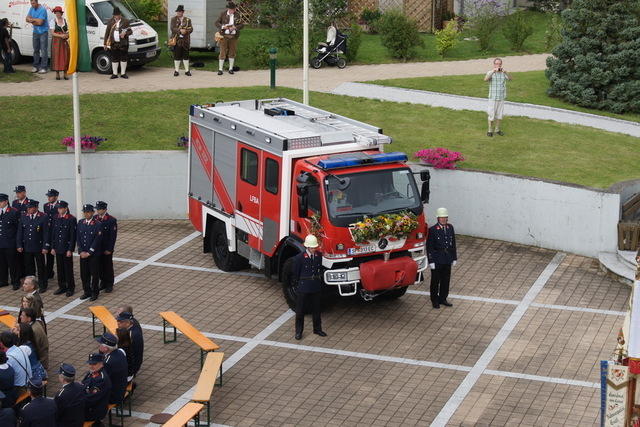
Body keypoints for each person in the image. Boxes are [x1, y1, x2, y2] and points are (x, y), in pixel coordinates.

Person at [293, 235, 327, 340]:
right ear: (307, 247)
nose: (314, 249)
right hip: (304, 287)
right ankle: (298, 331)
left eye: (315, 247)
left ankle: (317, 329)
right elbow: (296, 273)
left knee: (316, 309)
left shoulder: (318, 256)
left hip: (315, 286)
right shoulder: (299, 258)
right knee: (300, 311)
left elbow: (320, 269)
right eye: (312, 248)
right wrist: (298, 284)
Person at [426, 207, 457, 309]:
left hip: (447, 258)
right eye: (441, 218)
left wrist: (454, 257)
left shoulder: (450, 228)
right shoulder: (433, 230)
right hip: (437, 259)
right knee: (435, 281)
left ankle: (443, 298)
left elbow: (453, 244)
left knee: (446, 280)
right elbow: (429, 246)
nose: (443, 219)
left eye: (445, 217)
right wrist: (431, 260)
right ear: (437, 218)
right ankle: (434, 300)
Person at [17, 200, 49, 292]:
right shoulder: (24, 216)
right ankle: (31, 284)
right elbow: (20, 232)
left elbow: (46, 233)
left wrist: (45, 246)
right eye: (28, 208)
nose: (29, 209)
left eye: (30, 208)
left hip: (38, 247)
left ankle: (43, 284)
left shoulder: (43, 217)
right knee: (29, 267)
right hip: (27, 246)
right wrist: (19, 244)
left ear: (36, 207)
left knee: (41, 267)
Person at [76, 204, 102, 301]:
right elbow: (78, 238)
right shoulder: (81, 222)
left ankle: (95, 292)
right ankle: (87, 291)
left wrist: (89, 252)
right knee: (84, 274)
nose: (86, 214)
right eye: (85, 212)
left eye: (88, 212)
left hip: (93, 254)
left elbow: (97, 239)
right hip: (83, 254)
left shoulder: (97, 224)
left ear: (92, 212)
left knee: (94, 274)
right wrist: (81, 251)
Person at [51, 201, 77, 297]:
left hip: (66, 248)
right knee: (60, 268)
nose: (59, 210)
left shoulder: (71, 219)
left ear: (66, 208)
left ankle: (70, 287)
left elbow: (72, 236)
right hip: (58, 247)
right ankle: (62, 286)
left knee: (68, 269)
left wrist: (70, 249)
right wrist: (53, 247)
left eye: (61, 208)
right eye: (58, 208)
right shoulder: (56, 217)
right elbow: (54, 233)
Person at [96, 332, 127, 406]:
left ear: (106, 348)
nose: (98, 345)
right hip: (121, 387)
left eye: (100, 344)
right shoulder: (120, 352)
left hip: (113, 396)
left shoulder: (107, 362)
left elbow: (102, 380)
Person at [483, 58, 512, 137]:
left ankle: (497, 129)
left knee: (500, 115)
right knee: (491, 114)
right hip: (493, 97)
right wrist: (493, 71)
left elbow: (510, 79)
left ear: (501, 64)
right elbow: (485, 79)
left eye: (499, 64)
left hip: (501, 97)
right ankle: (490, 130)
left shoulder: (503, 73)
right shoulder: (490, 72)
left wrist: (506, 72)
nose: (498, 65)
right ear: (494, 64)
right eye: (496, 64)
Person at [81, 353, 111, 424]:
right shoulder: (92, 372)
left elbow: (91, 399)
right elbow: (83, 384)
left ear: (101, 364)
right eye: (90, 364)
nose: (91, 366)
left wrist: (76, 401)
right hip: (89, 406)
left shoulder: (101, 379)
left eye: (94, 364)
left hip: (94, 411)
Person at [215, 2, 243, 76]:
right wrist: (223, 26)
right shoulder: (223, 14)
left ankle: (231, 69)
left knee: (232, 52)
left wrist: (235, 27)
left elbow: (242, 25)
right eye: (231, 9)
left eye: (233, 9)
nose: (232, 11)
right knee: (222, 52)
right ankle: (220, 69)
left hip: (233, 36)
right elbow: (216, 23)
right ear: (228, 9)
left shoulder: (237, 15)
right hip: (224, 36)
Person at [104, 7, 132, 79]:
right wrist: (105, 43)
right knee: (114, 58)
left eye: (118, 15)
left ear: (120, 14)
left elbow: (130, 31)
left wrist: (125, 33)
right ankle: (115, 74)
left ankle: (123, 73)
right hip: (114, 43)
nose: (117, 16)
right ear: (113, 15)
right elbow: (107, 33)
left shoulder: (125, 21)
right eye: (115, 15)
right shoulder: (110, 21)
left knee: (124, 58)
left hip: (123, 43)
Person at [94, 201, 116, 293]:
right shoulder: (95, 218)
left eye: (99, 209)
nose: (98, 211)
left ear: (105, 209)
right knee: (100, 266)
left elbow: (112, 237)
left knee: (108, 266)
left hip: (106, 248)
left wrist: (110, 249)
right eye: (97, 209)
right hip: (98, 248)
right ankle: (102, 282)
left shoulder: (111, 220)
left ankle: (109, 284)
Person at [0, 331, 30, 397]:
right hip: (28, 382)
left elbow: (6, 375)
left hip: (19, 388)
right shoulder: (20, 349)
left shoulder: (9, 357)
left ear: (2, 344)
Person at [0, 193, 21, 290]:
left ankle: (15, 281)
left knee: (13, 264)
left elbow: (18, 229)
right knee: (2, 263)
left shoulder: (13, 212)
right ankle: (3, 281)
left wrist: (18, 243)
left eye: (0, 202)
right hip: (1, 243)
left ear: (5, 201)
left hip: (10, 243)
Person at [116, 312, 143, 378]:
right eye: (118, 321)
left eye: (120, 321)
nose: (118, 323)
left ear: (128, 323)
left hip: (132, 367)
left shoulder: (131, 335)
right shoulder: (133, 323)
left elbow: (129, 354)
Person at [25, 0, 49, 74]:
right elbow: (26, 19)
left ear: (37, 2)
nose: (32, 5)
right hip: (35, 32)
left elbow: (40, 23)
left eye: (33, 3)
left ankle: (44, 67)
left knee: (43, 50)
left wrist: (31, 20)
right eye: (31, 3)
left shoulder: (42, 9)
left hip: (43, 32)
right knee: (36, 50)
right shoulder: (31, 8)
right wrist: (35, 20)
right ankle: (35, 66)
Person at [170, 5, 193, 77]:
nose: (178, 13)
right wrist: (180, 30)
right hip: (177, 40)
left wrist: (185, 31)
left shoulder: (188, 20)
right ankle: (176, 71)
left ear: (183, 12)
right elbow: (172, 28)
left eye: (180, 12)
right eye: (177, 12)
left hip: (185, 40)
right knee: (177, 55)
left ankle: (187, 71)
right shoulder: (173, 19)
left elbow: (191, 29)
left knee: (186, 55)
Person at [43, 189, 60, 280]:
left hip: (57, 233)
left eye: (51, 196)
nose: (49, 198)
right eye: (48, 196)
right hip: (48, 232)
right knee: (49, 253)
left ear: (56, 197)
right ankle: (49, 271)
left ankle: (61, 273)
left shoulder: (60, 206)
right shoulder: (45, 205)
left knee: (58, 253)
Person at [49, 8, 70, 80]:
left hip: (64, 42)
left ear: (61, 13)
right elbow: (52, 33)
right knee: (57, 57)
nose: (57, 14)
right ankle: (57, 73)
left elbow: (68, 30)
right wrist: (61, 35)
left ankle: (65, 73)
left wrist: (67, 35)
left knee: (65, 56)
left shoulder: (65, 20)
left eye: (59, 13)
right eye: (56, 13)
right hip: (56, 42)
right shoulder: (53, 21)